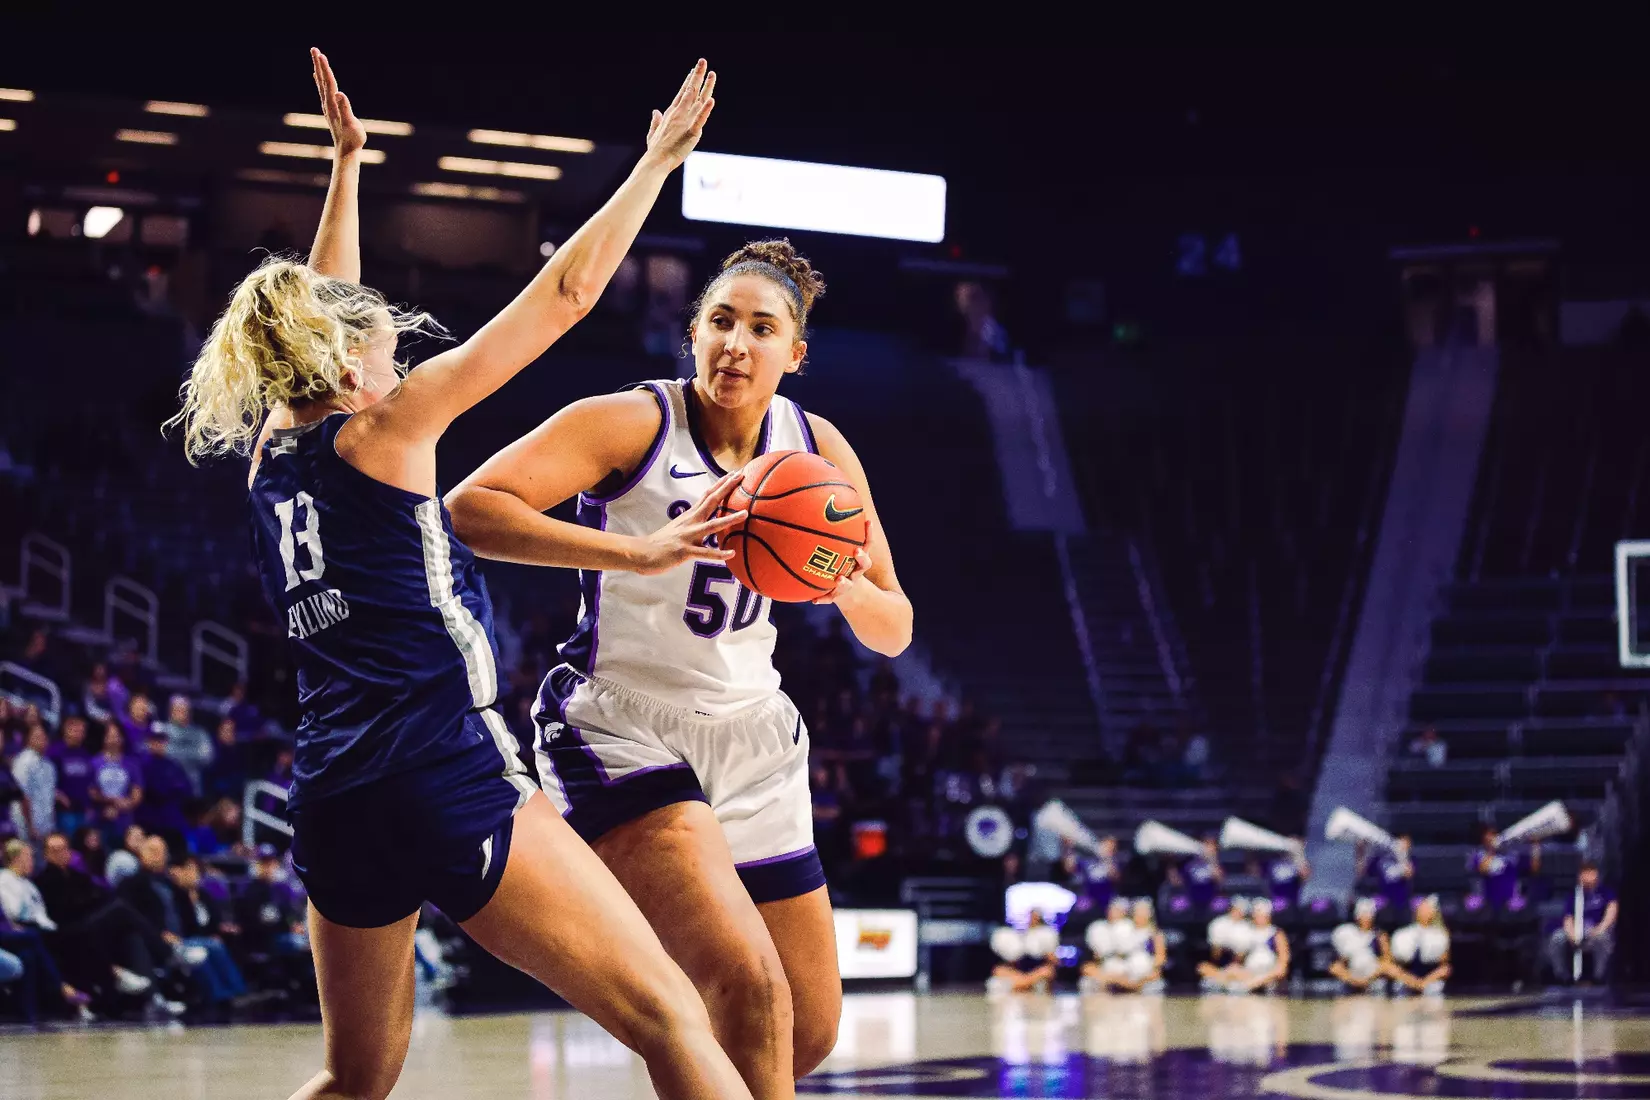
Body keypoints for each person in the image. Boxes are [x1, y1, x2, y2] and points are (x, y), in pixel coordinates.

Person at [163, 49, 750, 1100]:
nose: (396, 360)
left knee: (353, 1078)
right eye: (384, 350)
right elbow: (567, 293)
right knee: (668, 1014)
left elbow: (324, 312)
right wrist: (655, 163)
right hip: (443, 768)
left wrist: (347, 167)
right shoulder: (387, 428)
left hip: (332, 793)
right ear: (351, 367)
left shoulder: (269, 456)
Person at [448, 223, 911, 1085]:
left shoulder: (818, 451)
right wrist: (637, 552)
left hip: (755, 736)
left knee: (805, 1032)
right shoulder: (632, 422)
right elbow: (470, 509)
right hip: (625, 726)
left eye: (762, 328)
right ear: (692, 330)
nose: (736, 343)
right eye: (721, 320)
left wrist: (842, 585)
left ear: (795, 354)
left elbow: (895, 626)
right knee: (748, 988)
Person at [1547, 861, 1616, 985]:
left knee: (1603, 938)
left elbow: (1612, 911)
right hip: (1577, 930)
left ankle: (1598, 977)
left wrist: (1600, 929)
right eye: (1585, 873)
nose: (1588, 877)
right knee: (1557, 938)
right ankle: (1562, 977)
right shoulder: (1575, 895)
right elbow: (1568, 918)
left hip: (1596, 929)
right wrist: (1571, 934)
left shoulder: (1605, 892)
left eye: (1591, 873)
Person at [1099, 898, 1166, 994]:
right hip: (1123, 973)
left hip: (1145, 976)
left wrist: (1144, 975)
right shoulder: (1124, 930)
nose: (1141, 915)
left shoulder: (1155, 934)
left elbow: (1160, 958)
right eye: (1138, 912)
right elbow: (1117, 954)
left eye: (1144, 912)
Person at [1386, 896, 1451, 996]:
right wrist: (1412, 981)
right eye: (1422, 909)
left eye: (1428, 909)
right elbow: (1393, 962)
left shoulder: (1441, 936)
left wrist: (1424, 982)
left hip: (1429, 979)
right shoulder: (1402, 934)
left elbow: (1444, 966)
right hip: (1406, 977)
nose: (1425, 912)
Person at [88, 723, 142, 842]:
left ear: (122, 739)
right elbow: (91, 791)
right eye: (110, 736)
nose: (113, 740)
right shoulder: (94, 763)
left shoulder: (131, 764)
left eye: (116, 736)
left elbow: (137, 794)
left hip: (125, 821)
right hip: (99, 818)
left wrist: (125, 805)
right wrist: (112, 801)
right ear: (104, 738)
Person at [988, 909, 1059, 994]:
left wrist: (1046, 953)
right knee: (999, 971)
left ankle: (1023, 984)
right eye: (1031, 917)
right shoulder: (1012, 935)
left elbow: (1053, 961)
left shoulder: (1047, 934)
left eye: (1036, 918)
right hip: (1017, 971)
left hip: (1036, 970)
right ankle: (1024, 983)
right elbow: (1008, 962)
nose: (1032, 920)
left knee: (1047, 972)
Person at [1329, 898, 1389, 994]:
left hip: (1373, 974)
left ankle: (1416, 985)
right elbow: (1340, 961)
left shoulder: (1379, 935)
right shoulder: (1347, 933)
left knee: (1389, 967)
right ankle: (1356, 985)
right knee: (1335, 968)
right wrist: (1355, 980)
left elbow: (1387, 959)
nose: (1367, 918)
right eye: (1363, 914)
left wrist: (1370, 977)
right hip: (1353, 974)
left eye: (1369, 914)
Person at [11, 722, 56, 846]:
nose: (42, 739)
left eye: (44, 736)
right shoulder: (23, 762)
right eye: (37, 736)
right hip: (26, 826)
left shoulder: (49, 765)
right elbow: (22, 796)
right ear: (28, 738)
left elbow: (49, 797)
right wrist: (30, 826)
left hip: (46, 826)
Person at [49, 714, 94, 837]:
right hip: (63, 810)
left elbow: (89, 783)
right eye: (75, 729)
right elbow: (48, 780)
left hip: (82, 810)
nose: (79, 733)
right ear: (66, 729)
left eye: (82, 731)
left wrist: (89, 806)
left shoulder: (85, 754)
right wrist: (57, 794)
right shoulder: (54, 752)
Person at [1200, 896, 1254, 990]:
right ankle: (1224, 980)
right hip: (1219, 962)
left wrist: (1233, 966)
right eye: (1235, 909)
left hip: (1238, 964)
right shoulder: (1217, 923)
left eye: (1241, 910)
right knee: (1202, 967)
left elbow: (1241, 955)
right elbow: (1215, 952)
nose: (1237, 912)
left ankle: (1222, 980)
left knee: (1236, 970)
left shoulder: (1248, 927)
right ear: (1230, 908)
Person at [1266, 842, 1310, 911]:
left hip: (1291, 903)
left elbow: (1305, 875)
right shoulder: (1273, 863)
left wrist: (1299, 855)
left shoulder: (1295, 865)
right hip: (1277, 902)